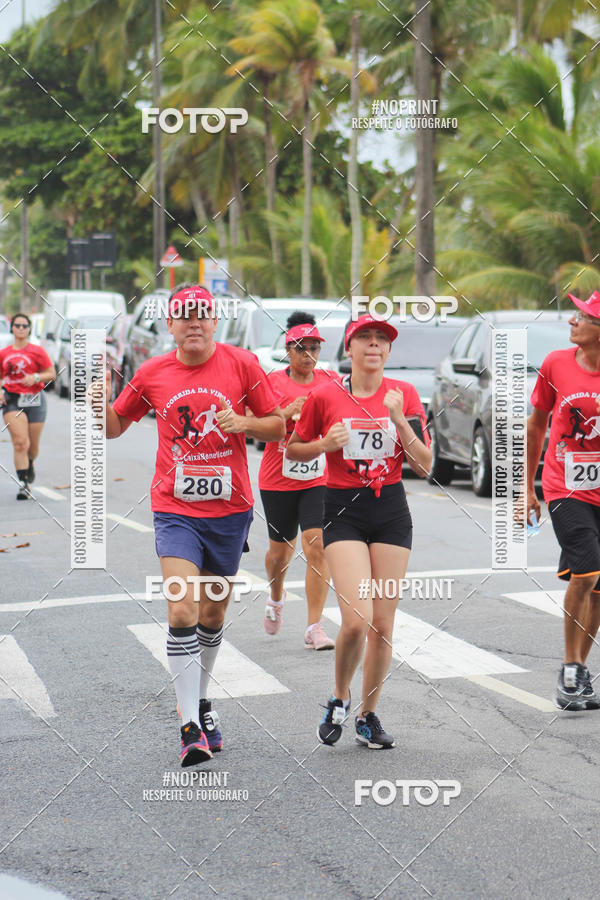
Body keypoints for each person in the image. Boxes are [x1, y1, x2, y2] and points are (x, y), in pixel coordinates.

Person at [97, 285, 284, 765]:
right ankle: (188, 726)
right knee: (182, 609)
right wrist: (99, 399)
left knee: (213, 616)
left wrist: (245, 425)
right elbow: (115, 427)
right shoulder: (154, 371)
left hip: (230, 510)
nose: (194, 323)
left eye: (203, 314)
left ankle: (200, 701)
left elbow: (278, 426)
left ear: (214, 321)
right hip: (175, 509)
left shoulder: (241, 364)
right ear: (171, 324)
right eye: (185, 316)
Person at [287, 313, 432, 748]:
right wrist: (322, 446)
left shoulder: (403, 394)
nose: (374, 345)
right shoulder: (326, 394)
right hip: (343, 511)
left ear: (388, 351)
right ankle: (338, 697)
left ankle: (368, 715)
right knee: (356, 621)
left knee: (383, 625)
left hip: (390, 511)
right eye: (364, 338)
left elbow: (426, 465)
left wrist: (400, 421)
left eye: (381, 339)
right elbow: (293, 450)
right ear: (348, 349)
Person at [527, 291, 600, 710]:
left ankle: (579, 672)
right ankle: (570, 668)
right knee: (587, 574)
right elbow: (536, 424)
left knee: (598, 589)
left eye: (584, 316)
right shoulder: (556, 363)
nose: (573, 321)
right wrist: (527, 487)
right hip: (565, 486)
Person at [258, 312, 338, 649]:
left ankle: (314, 626)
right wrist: (287, 411)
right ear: (288, 350)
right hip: (277, 476)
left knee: (317, 545)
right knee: (280, 552)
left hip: (318, 476)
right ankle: (276, 597)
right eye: (301, 348)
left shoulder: (331, 381)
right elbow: (256, 424)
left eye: (314, 348)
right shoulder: (272, 382)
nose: (308, 355)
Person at [0, 312, 55, 500]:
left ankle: (30, 462)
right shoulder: (4, 353)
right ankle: (23, 484)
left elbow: (51, 373)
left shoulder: (37, 351)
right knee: (20, 442)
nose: (21, 329)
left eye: (25, 326)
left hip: (35, 399)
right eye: (17, 325)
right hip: (12, 399)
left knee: (32, 447)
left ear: (29, 329)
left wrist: (36, 377)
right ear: (12, 328)